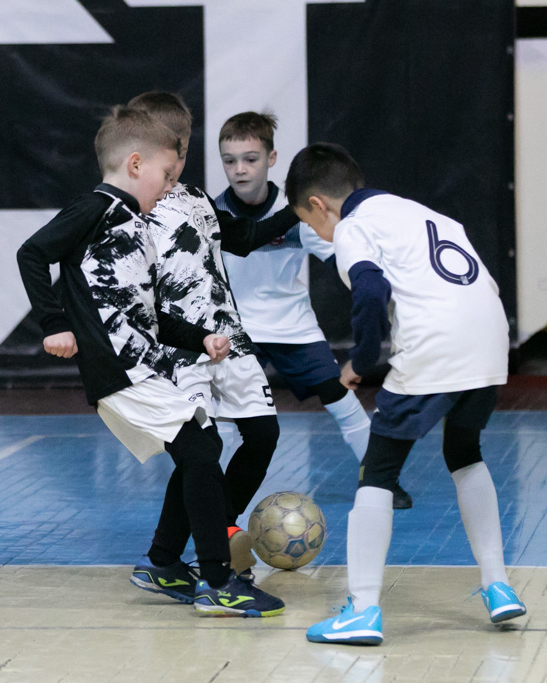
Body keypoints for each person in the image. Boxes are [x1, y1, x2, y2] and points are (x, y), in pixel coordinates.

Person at [16, 106, 283, 618]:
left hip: (142, 364)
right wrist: (53, 323)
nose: (169, 185)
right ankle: (218, 582)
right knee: (201, 449)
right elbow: (32, 253)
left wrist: (201, 337)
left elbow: (147, 313)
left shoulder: (135, 224)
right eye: (164, 174)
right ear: (135, 164)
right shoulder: (95, 207)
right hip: (118, 369)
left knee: (201, 447)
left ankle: (165, 563)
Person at [286, 143, 526, 645]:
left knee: (377, 473)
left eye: (310, 224)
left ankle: (362, 610)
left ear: (318, 206)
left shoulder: (352, 228)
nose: (318, 235)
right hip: (489, 338)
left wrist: (362, 359)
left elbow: (371, 290)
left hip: (435, 342)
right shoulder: (418, 212)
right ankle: (498, 585)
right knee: (465, 452)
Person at [125, 92, 300, 584]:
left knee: (263, 434)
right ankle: (184, 555)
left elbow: (241, 240)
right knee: (201, 449)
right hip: (178, 346)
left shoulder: (196, 198)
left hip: (228, 337)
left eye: (182, 150)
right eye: (171, 150)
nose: (178, 160)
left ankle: (213, 527)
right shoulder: (127, 208)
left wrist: (299, 209)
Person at [215, 111, 412, 510]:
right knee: (226, 415)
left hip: (293, 327)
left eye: (250, 159)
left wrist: (376, 289)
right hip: (234, 330)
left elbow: (343, 260)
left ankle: (381, 480)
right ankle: (216, 493)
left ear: (271, 159)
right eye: (230, 160)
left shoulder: (298, 213)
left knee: (340, 395)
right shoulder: (212, 211)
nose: (240, 169)